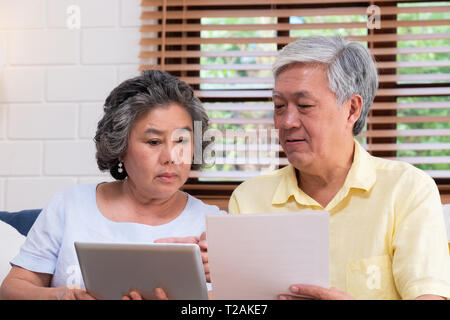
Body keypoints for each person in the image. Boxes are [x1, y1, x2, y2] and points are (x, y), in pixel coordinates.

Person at [226, 36, 450, 300]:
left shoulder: (407, 190)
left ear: (352, 109)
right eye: (279, 106)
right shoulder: (248, 199)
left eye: (305, 106)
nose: (286, 122)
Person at [0, 70, 225, 300]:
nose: (171, 156)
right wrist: (61, 297)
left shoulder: (214, 226)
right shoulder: (69, 206)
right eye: (154, 141)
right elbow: (11, 289)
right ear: (120, 146)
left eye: (182, 140)